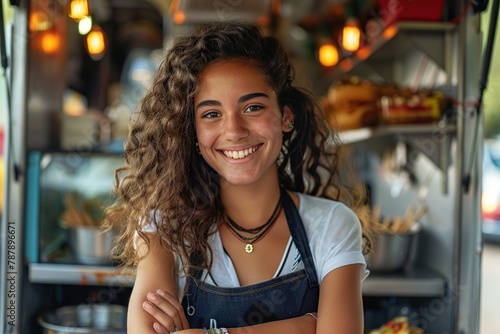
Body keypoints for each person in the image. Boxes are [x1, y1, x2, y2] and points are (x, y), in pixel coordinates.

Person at [105, 20, 371, 334]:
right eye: (211, 114)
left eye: (253, 107)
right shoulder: (165, 227)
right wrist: (304, 326)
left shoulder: (332, 225)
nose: (234, 131)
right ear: (192, 130)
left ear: (286, 117)